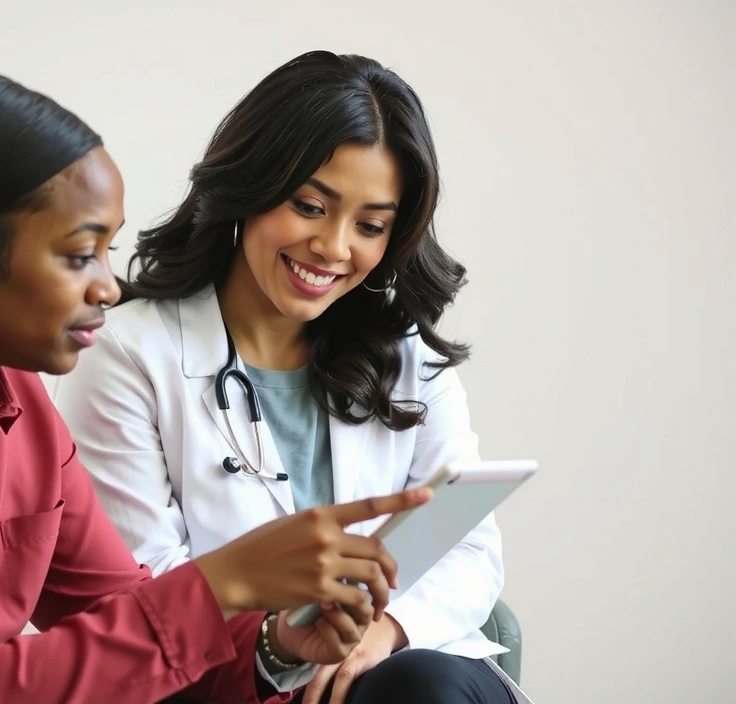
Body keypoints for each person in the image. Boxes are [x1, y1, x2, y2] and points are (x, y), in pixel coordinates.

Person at [0, 71, 436, 704]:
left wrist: (277, 643)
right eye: (79, 253)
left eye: (109, 250)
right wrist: (224, 583)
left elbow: (129, 620)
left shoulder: (19, 403)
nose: (108, 285)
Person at [54, 51, 531, 704]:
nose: (334, 248)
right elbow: (141, 592)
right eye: (310, 206)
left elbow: (469, 552)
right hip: (230, 684)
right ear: (251, 185)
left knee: (421, 685)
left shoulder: (404, 353)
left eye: (369, 226)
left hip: (407, 676)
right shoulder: (130, 353)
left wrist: (386, 631)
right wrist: (281, 641)